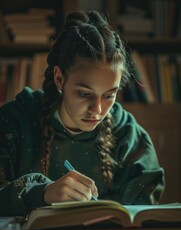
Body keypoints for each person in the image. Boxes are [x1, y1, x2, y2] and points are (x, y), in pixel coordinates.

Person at [0, 10, 165, 217]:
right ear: (59, 78)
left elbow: (141, 212)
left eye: (108, 95)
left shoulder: (127, 134)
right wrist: (41, 194)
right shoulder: (13, 122)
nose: (97, 110)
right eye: (85, 94)